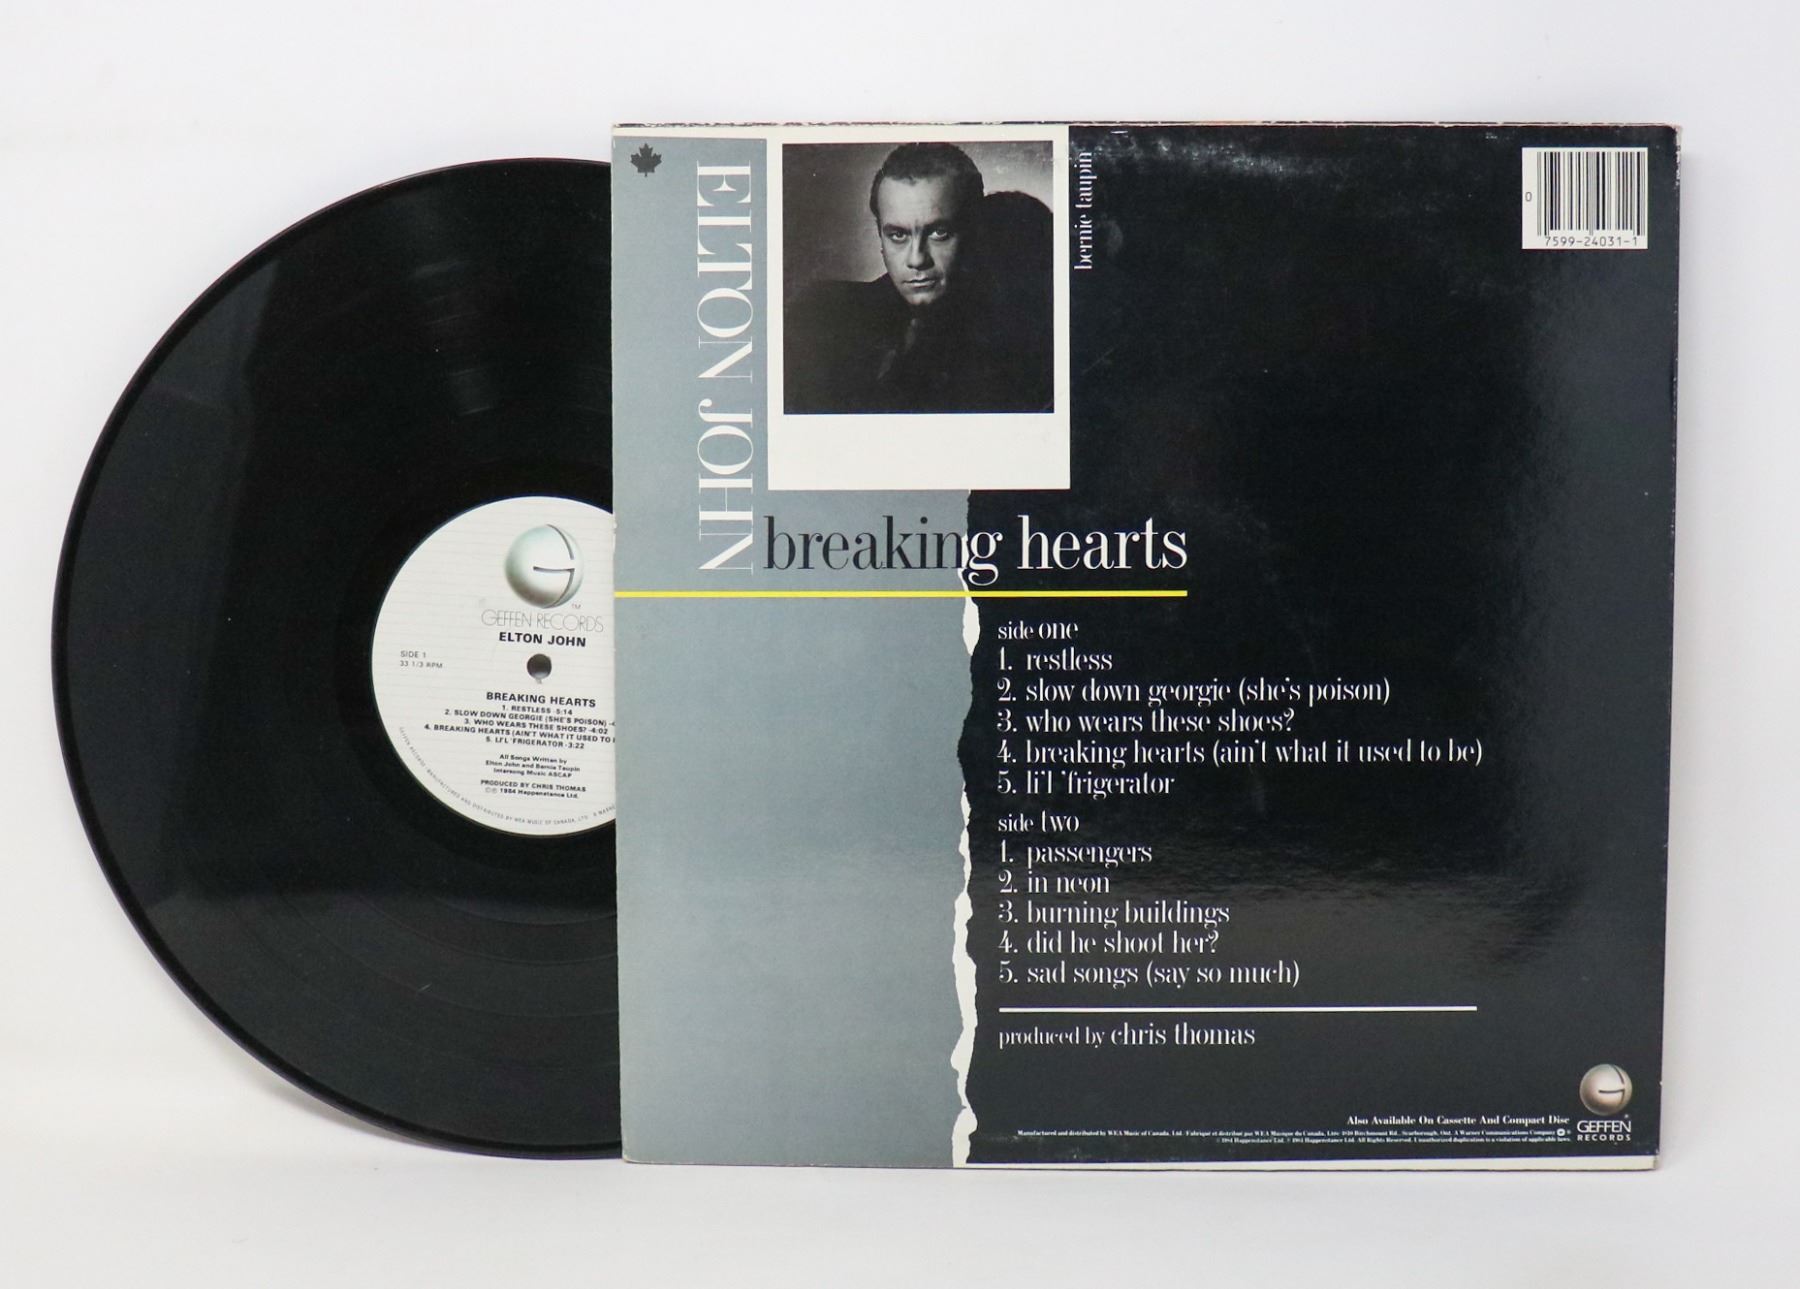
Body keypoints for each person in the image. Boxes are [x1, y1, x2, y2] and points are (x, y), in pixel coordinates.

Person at [785, 143, 1052, 415]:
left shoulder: (1019, 349)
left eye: (939, 233)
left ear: (975, 233)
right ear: (880, 240)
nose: (916, 259)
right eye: (898, 235)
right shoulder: (821, 318)